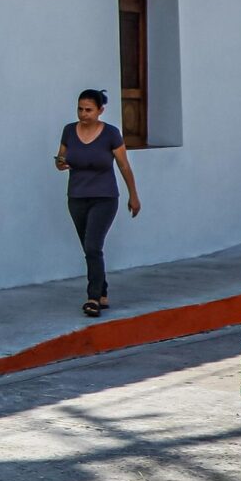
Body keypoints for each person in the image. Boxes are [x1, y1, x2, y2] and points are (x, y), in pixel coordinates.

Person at [54, 88, 140, 319]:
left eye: (89, 110)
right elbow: (61, 156)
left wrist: (133, 195)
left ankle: (93, 298)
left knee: (93, 245)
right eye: (80, 109)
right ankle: (102, 290)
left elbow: (123, 165)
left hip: (105, 197)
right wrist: (61, 163)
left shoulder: (111, 134)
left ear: (100, 110)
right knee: (88, 248)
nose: (84, 114)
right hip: (77, 196)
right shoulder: (69, 131)